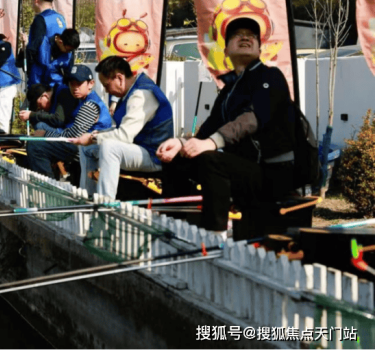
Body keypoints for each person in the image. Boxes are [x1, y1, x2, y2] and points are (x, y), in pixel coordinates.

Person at [156, 17, 296, 238]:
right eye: (237, 35)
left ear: (259, 48)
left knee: (211, 160)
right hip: (243, 169)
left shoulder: (271, 77)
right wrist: (181, 143)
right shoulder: (229, 89)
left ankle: (215, 236)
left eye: (251, 35)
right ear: (226, 50)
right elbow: (208, 129)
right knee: (176, 159)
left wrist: (212, 143)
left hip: (274, 172)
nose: (245, 38)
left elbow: (252, 118)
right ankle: (174, 228)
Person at [71, 56, 173, 199]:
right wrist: (95, 135)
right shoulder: (132, 91)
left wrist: (93, 137)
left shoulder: (142, 95)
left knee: (109, 147)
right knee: (86, 148)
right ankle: (88, 196)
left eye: (107, 85)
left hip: (154, 156)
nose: (106, 91)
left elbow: (124, 136)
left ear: (119, 78)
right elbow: (123, 130)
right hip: (139, 148)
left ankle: (105, 202)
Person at [26, 65, 112, 179]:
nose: (75, 88)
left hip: (89, 147)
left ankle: (46, 184)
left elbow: (73, 136)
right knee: (39, 133)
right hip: (80, 144)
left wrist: (46, 134)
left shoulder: (90, 105)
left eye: (79, 83)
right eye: (72, 83)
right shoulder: (81, 100)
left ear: (91, 84)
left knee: (35, 145)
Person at [26, 0, 67, 86]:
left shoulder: (41, 19)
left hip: (42, 76)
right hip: (60, 73)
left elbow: (34, 47)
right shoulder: (61, 18)